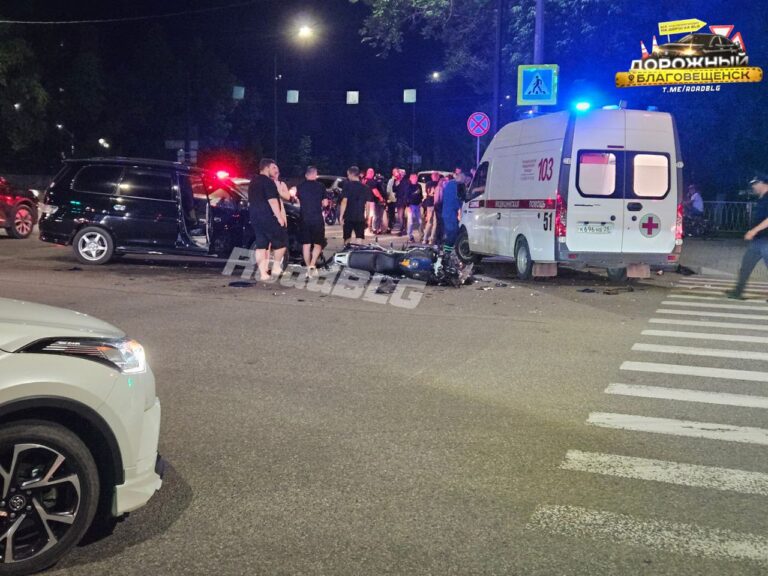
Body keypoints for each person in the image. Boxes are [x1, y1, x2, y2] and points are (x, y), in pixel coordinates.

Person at [727, 174, 768, 300]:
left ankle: (737, 291)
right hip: (758, 240)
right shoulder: (762, 198)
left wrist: (754, 231)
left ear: (762, 183)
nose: (753, 187)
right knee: (746, 266)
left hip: (766, 240)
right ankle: (737, 292)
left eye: (754, 184)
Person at [249, 158, 288, 282]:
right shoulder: (268, 182)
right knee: (282, 243)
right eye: (273, 167)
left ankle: (263, 274)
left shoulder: (253, 182)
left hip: (255, 217)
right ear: (266, 168)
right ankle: (276, 267)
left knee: (261, 246)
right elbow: (272, 201)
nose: (275, 170)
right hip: (268, 217)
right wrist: (279, 217)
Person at [296, 166, 326, 275]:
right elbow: (325, 203)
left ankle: (308, 267)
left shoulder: (299, 186)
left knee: (306, 244)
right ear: (315, 174)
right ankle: (313, 265)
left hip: (304, 218)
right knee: (318, 243)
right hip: (317, 218)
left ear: (306, 175)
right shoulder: (321, 186)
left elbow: (297, 201)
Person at [339, 166, 368, 243]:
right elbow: (367, 203)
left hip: (348, 216)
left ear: (351, 174)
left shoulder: (347, 185)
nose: (348, 177)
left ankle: (347, 249)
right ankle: (358, 250)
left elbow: (344, 201)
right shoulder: (365, 187)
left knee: (347, 238)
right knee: (359, 238)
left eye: (348, 175)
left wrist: (341, 216)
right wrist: (367, 217)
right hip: (360, 216)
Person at [441, 175, 464, 249]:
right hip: (450, 214)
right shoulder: (454, 185)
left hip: (449, 213)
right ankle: (446, 251)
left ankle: (447, 250)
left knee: (452, 233)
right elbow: (455, 200)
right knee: (452, 233)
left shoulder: (450, 184)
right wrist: (461, 205)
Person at [363, 168, 386, 234]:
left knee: (366, 214)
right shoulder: (371, 181)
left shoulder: (364, 180)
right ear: (372, 173)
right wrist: (381, 197)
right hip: (370, 200)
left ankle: (366, 229)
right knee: (370, 215)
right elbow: (375, 191)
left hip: (364, 200)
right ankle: (368, 229)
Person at [422, 171, 439, 244]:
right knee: (435, 222)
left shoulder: (428, 184)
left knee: (429, 222)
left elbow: (427, 193)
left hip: (429, 204)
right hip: (435, 204)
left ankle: (425, 238)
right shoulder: (438, 184)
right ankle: (431, 239)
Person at [406, 173, 422, 242]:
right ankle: (410, 236)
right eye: (414, 177)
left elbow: (420, 195)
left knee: (420, 221)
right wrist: (408, 206)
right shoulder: (408, 186)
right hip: (411, 205)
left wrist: (420, 202)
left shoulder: (419, 186)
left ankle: (422, 235)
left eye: (416, 177)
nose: (415, 179)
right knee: (410, 222)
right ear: (410, 178)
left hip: (418, 205)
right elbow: (406, 197)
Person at [393, 169, 409, 235]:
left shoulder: (405, 181)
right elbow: (394, 189)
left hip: (403, 200)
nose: (400, 174)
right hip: (398, 199)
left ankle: (402, 229)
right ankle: (403, 228)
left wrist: (405, 200)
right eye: (399, 173)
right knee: (400, 215)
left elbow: (406, 191)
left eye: (401, 173)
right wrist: (396, 184)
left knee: (401, 215)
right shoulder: (396, 180)